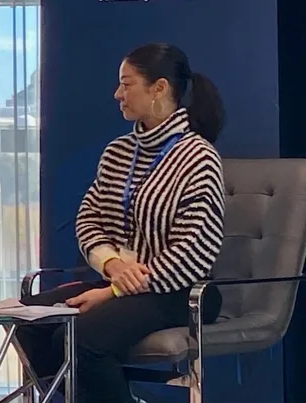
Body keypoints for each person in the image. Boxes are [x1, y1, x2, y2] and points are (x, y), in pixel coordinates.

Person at [15, 43, 226, 403]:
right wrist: (111, 264)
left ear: (159, 88)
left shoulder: (198, 157)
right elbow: (89, 217)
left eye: (127, 85)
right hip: (117, 280)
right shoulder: (118, 152)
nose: (117, 94)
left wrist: (115, 290)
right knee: (30, 323)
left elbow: (193, 252)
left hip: (179, 292)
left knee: (84, 338)